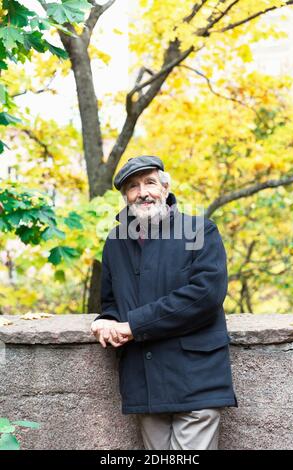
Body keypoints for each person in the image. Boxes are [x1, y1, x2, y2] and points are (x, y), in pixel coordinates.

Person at [91, 155, 237, 450]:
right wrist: (105, 320)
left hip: (196, 379)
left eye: (149, 182)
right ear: (126, 196)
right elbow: (111, 300)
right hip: (143, 383)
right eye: (133, 186)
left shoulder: (200, 231)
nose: (142, 191)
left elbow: (205, 295)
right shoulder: (115, 242)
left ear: (165, 188)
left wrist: (134, 325)